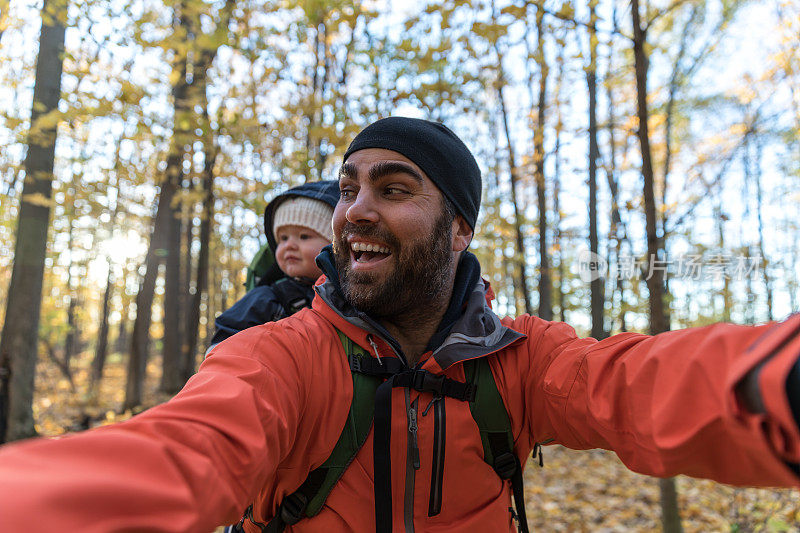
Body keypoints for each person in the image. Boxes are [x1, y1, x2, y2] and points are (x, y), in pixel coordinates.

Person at [0, 117, 799, 533]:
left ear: (458, 230)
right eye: (348, 187)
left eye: (393, 187)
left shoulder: (516, 361)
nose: (355, 211)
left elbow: (640, 386)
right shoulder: (281, 357)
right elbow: (184, 454)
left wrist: (779, 380)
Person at [209, 180, 339, 349]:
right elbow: (225, 337)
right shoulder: (268, 297)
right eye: (283, 238)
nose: (289, 245)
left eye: (304, 236)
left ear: (335, 245)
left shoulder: (348, 297)